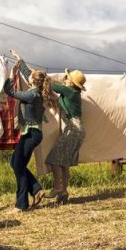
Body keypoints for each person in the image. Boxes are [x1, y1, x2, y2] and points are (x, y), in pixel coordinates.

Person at [2, 50, 57, 211]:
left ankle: (21, 204)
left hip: (31, 134)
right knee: (15, 163)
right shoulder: (37, 91)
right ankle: (36, 189)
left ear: (33, 81)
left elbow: (10, 92)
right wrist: (19, 59)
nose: (29, 75)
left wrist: (11, 76)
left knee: (18, 166)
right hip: (33, 133)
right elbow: (29, 73)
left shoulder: (32, 95)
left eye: (31, 76)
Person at [46, 68, 87, 203]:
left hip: (72, 129)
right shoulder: (73, 93)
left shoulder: (69, 91)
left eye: (67, 78)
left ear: (72, 83)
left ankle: (58, 187)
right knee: (64, 163)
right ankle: (64, 192)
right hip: (77, 129)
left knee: (54, 159)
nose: (65, 79)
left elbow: (49, 84)